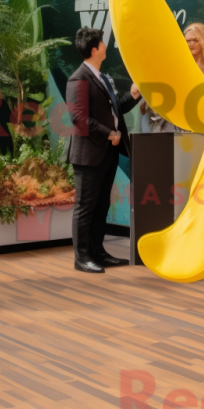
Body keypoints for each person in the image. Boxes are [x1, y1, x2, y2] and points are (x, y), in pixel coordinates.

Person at [66, 27, 141, 273]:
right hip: (88, 155)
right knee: (85, 207)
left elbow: (116, 109)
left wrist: (133, 95)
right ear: (95, 49)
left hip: (107, 153)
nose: (106, 46)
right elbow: (78, 118)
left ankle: (98, 252)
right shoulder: (78, 78)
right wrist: (109, 133)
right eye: (102, 42)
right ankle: (82, 258)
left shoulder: (103, 77)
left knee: (101, 206)